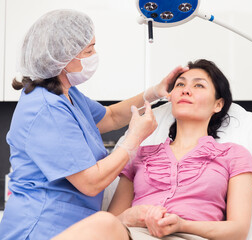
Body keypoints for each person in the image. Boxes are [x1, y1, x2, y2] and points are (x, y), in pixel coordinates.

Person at [0, 9, 187, 240]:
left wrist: (155, 92)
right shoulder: (45, 108)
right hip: (41, 227)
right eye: (89, 50)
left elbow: (111, 117)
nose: (94, 55)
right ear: (63, 57)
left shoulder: (66, 94)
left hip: (79, 226)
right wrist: (134, 139)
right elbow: (90, 182)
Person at [53, 59, 252, 240]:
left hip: (191, 235)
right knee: (102, 223)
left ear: (218, 104)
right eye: (180, 84)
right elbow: (113, 220)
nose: (186, 90)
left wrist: (182, 224)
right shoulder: (141, 155)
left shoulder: (234, 155)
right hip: (134, 234)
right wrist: (128, 217)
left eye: (199, 86)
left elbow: (238, 231)